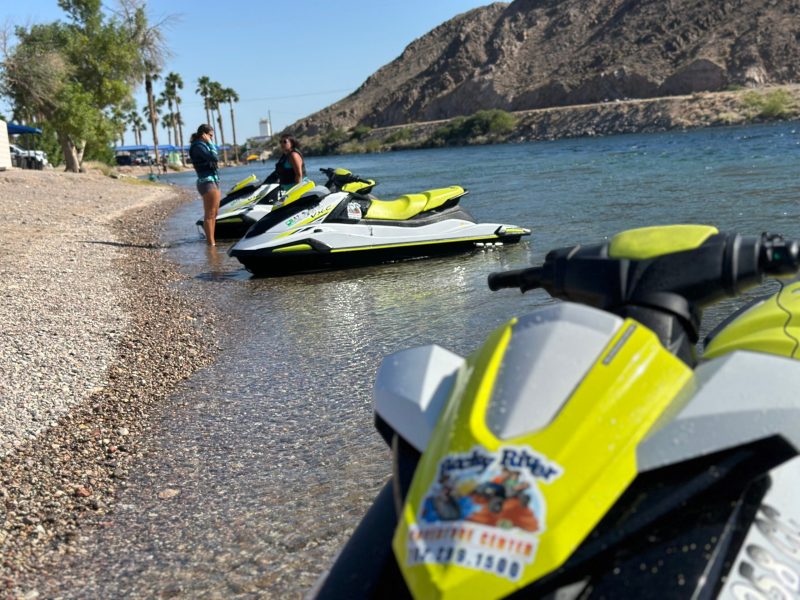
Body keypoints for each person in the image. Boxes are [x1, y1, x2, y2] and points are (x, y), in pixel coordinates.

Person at [189, 124, 220, 246]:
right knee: (209, 214)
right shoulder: (198, 146)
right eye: (210, 136)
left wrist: (209, 143)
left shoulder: (203, 145)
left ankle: (212, 242)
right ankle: (211, 244)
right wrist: (210, 143)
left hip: (213, 180)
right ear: (204, 134)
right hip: (206, 182)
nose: (211, 138)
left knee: (214, 214)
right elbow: (214, 157)